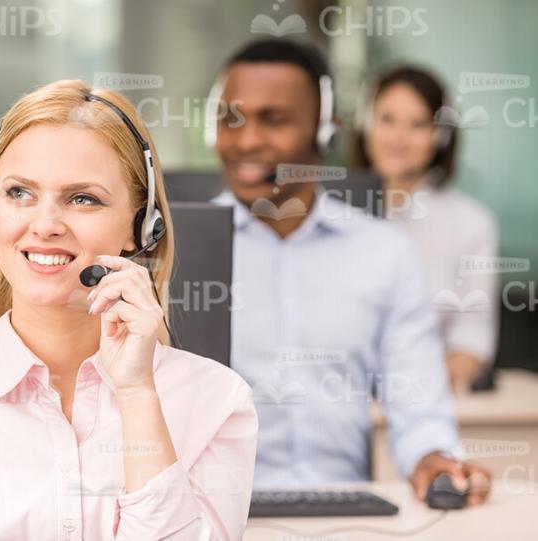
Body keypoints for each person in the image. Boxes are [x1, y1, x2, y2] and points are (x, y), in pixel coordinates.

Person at [0, 80, 257, 540]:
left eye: (82, 198)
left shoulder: (217, 401)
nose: (45, 225)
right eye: (19, 193)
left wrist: (137, 394)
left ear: (141, 225)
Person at [209, 39, 491, 505]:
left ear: (326, 133)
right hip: (211, 517)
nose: (246, 141)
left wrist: (433, 458)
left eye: (273, 119)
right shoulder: (170, 254)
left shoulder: (385, 253)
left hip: (346, 511)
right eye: (229, 119)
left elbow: (417, 401)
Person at [351, 66, 500, 393]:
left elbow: (473, 339)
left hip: (424, 400)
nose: (398, 138)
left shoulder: (471, 222)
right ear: (365, 125)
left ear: (440, 136)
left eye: (418, 124)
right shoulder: (332, 214)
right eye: (387, 120)